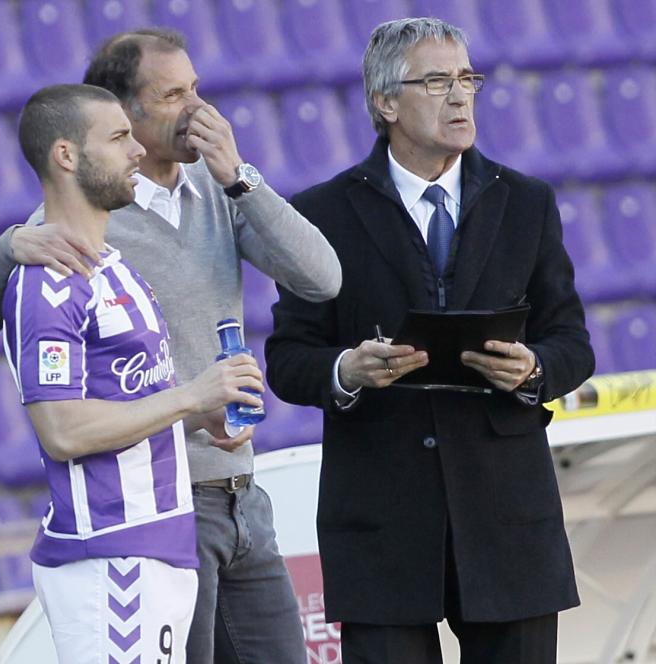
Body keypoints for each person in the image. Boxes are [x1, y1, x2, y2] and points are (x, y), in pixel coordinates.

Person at [0, 29, 341, 663]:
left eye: (195, 89)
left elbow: (322, 276)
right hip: (163, 503)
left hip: (244, 492)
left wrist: (240, 177)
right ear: (121, 112)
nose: (197, 109)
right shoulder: (89, 217)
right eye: (172, 95)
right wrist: (5, 248)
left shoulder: (219, 192)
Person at [265, 17, 594, 664]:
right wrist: (346, 370)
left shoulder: (527, 202)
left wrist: (532, 369)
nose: (460, 96)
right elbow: (288, 358)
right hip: (380, 523)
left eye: (467, 79)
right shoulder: (320, 214)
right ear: (385, 102)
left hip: (509, 521)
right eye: (437, 81)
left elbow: (572, 341)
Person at [5, 82, 267, 663]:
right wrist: (188, 396)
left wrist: (203, 416)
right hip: (109, 554)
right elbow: (63, 431)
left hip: (165, 546)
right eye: (119, 137)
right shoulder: (47, 283)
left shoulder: (116, 268)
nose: (136, 151)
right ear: (66, 156)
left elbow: (132, 400)